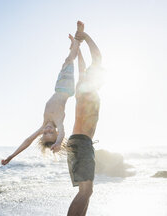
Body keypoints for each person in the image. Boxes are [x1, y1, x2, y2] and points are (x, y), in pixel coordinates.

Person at [1, 21, 84, 165]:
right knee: (69, 61)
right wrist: (58, 143)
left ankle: (74, 45)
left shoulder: (44, 124)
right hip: (66, 88)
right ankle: (78, 37)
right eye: (51, 133)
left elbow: (28, 140)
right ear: (56, 133)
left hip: (58, 87)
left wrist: (11, 156)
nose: (47, 130)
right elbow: (63, 133)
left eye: (45, 134)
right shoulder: (59, 121)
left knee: (67, 61)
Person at [67, 29, 103, 216]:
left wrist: (77, 45)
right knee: (85, 191)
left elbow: (90, 62)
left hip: (82, 142)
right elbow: (95, 58)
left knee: (87, 191)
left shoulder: (89, 90)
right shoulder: (85, 88)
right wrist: (85, 37)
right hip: (81, 142)